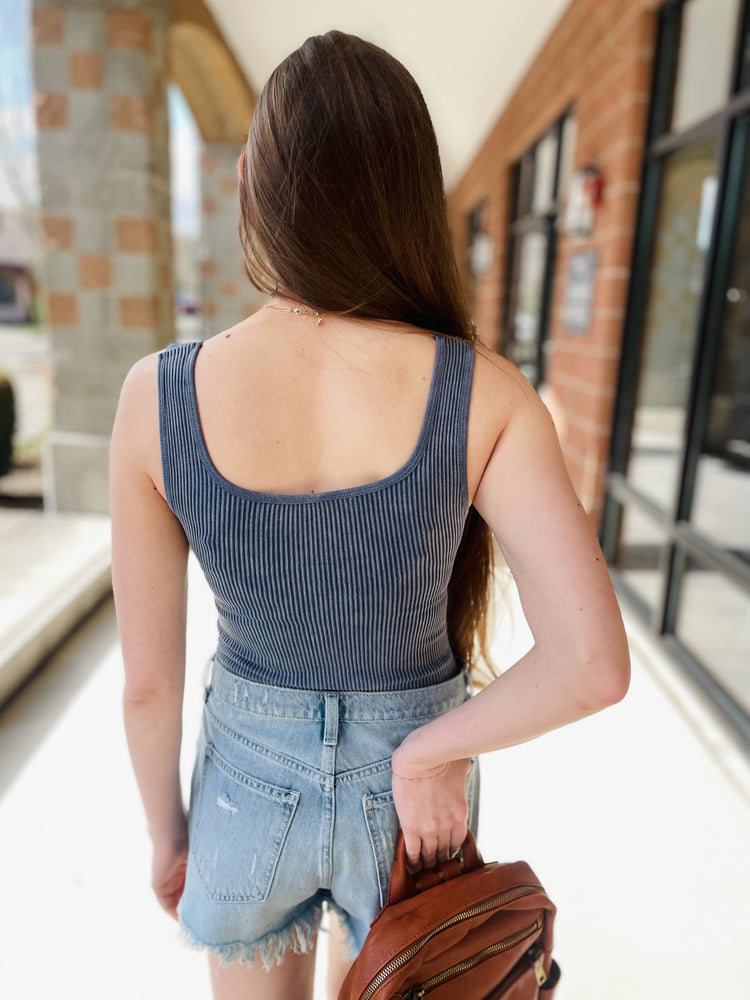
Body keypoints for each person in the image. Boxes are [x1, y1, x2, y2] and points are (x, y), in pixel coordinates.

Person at [110, 30, 630, 1000]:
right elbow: (593, 664)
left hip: (243, 784)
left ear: (256, 191)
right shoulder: (485, 394)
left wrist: (169, 836)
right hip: (413, 799)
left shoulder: (158, 396)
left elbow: (148, 682)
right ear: (408, 196)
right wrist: (431, 750)